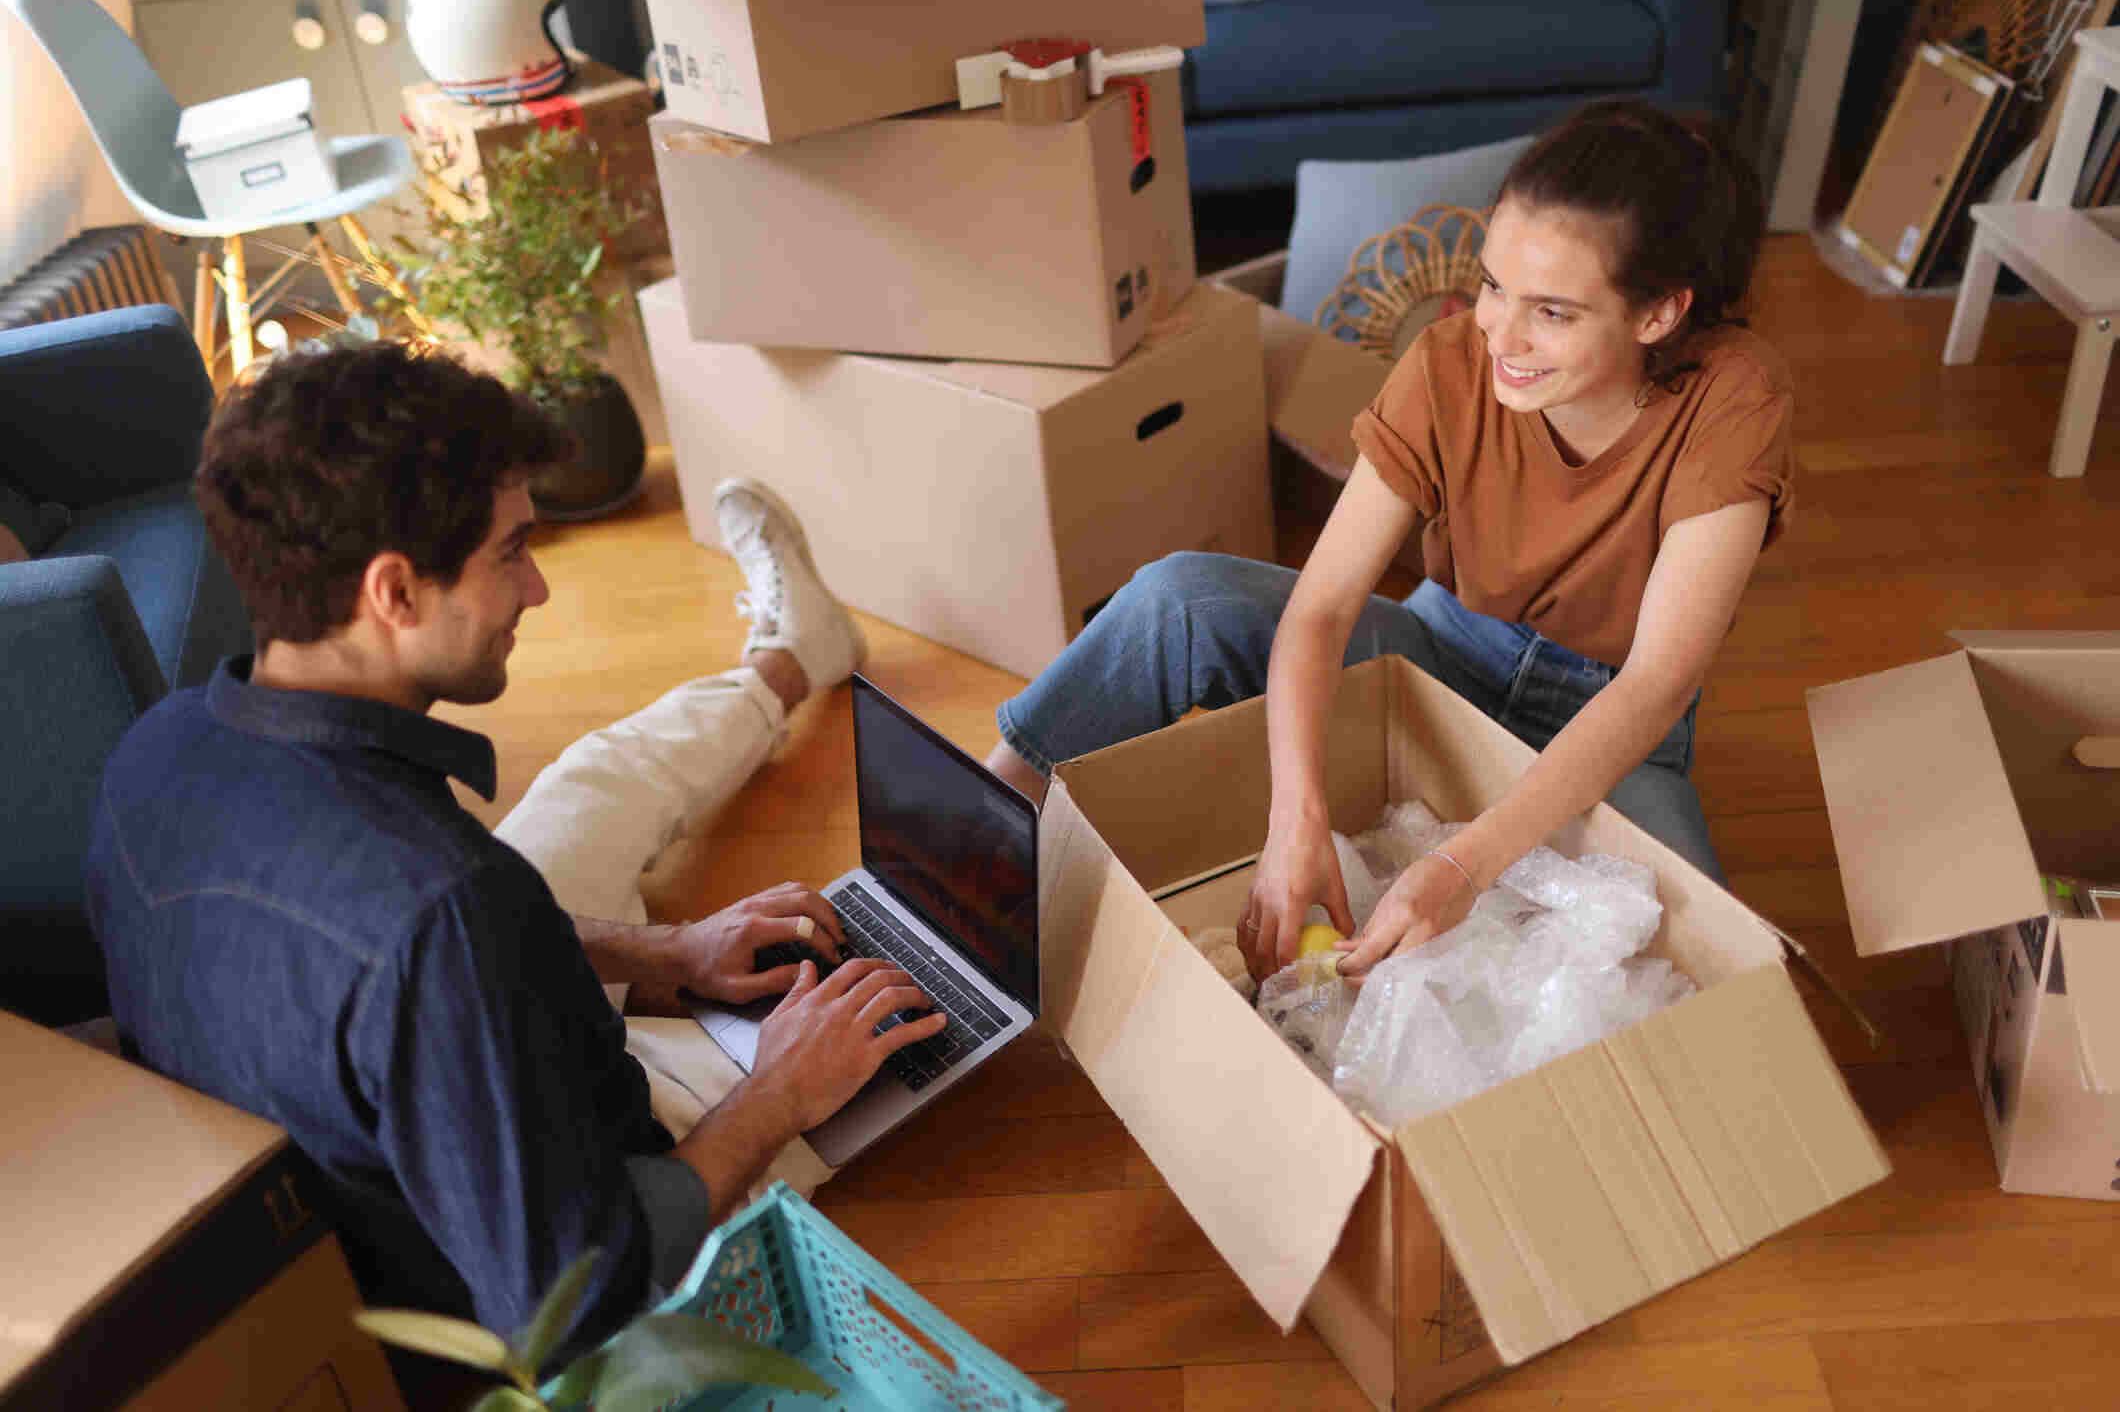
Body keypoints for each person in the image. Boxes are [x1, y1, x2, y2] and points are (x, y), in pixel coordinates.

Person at [83, 342, 943, 1369]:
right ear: (393, 591)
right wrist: (781, 1092)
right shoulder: (444, 914)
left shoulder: (158, 748)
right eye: (511, 552)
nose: (535, 589)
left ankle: (791, 654)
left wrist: (668, 953)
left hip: (395, 1131)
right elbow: (577, 1302)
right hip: (586, 1238)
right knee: (840, 1017)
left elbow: (398, 951)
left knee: (589, 782)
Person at [982, 99, 1793, 985]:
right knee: (1180, 600)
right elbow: (1321, 607)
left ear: (1657, 315)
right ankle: (978, 819)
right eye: (1492, 285)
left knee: (1713, 971)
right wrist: (1294, 820)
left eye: (1552, 313)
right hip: (1445, 650)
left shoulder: (1735, 399)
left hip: (1609, 712)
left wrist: (1459, 866)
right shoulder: (1449, 362)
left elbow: (1654, 685)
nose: (1501, 335)